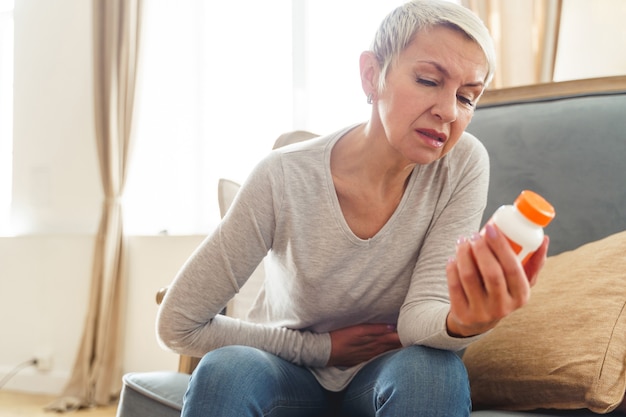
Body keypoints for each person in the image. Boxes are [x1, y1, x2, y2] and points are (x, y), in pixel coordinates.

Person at [156, 1, 549, 416]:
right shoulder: (282, 177)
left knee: (433, 371)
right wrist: (320, 349)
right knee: (227, 370)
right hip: (284, 370)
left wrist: (464, 323)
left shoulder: (463, 163)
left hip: (387, 374)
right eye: (428, 80)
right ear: (371, 75)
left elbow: (418, 319)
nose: (449, 111)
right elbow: (178, 323)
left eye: (468, 97)